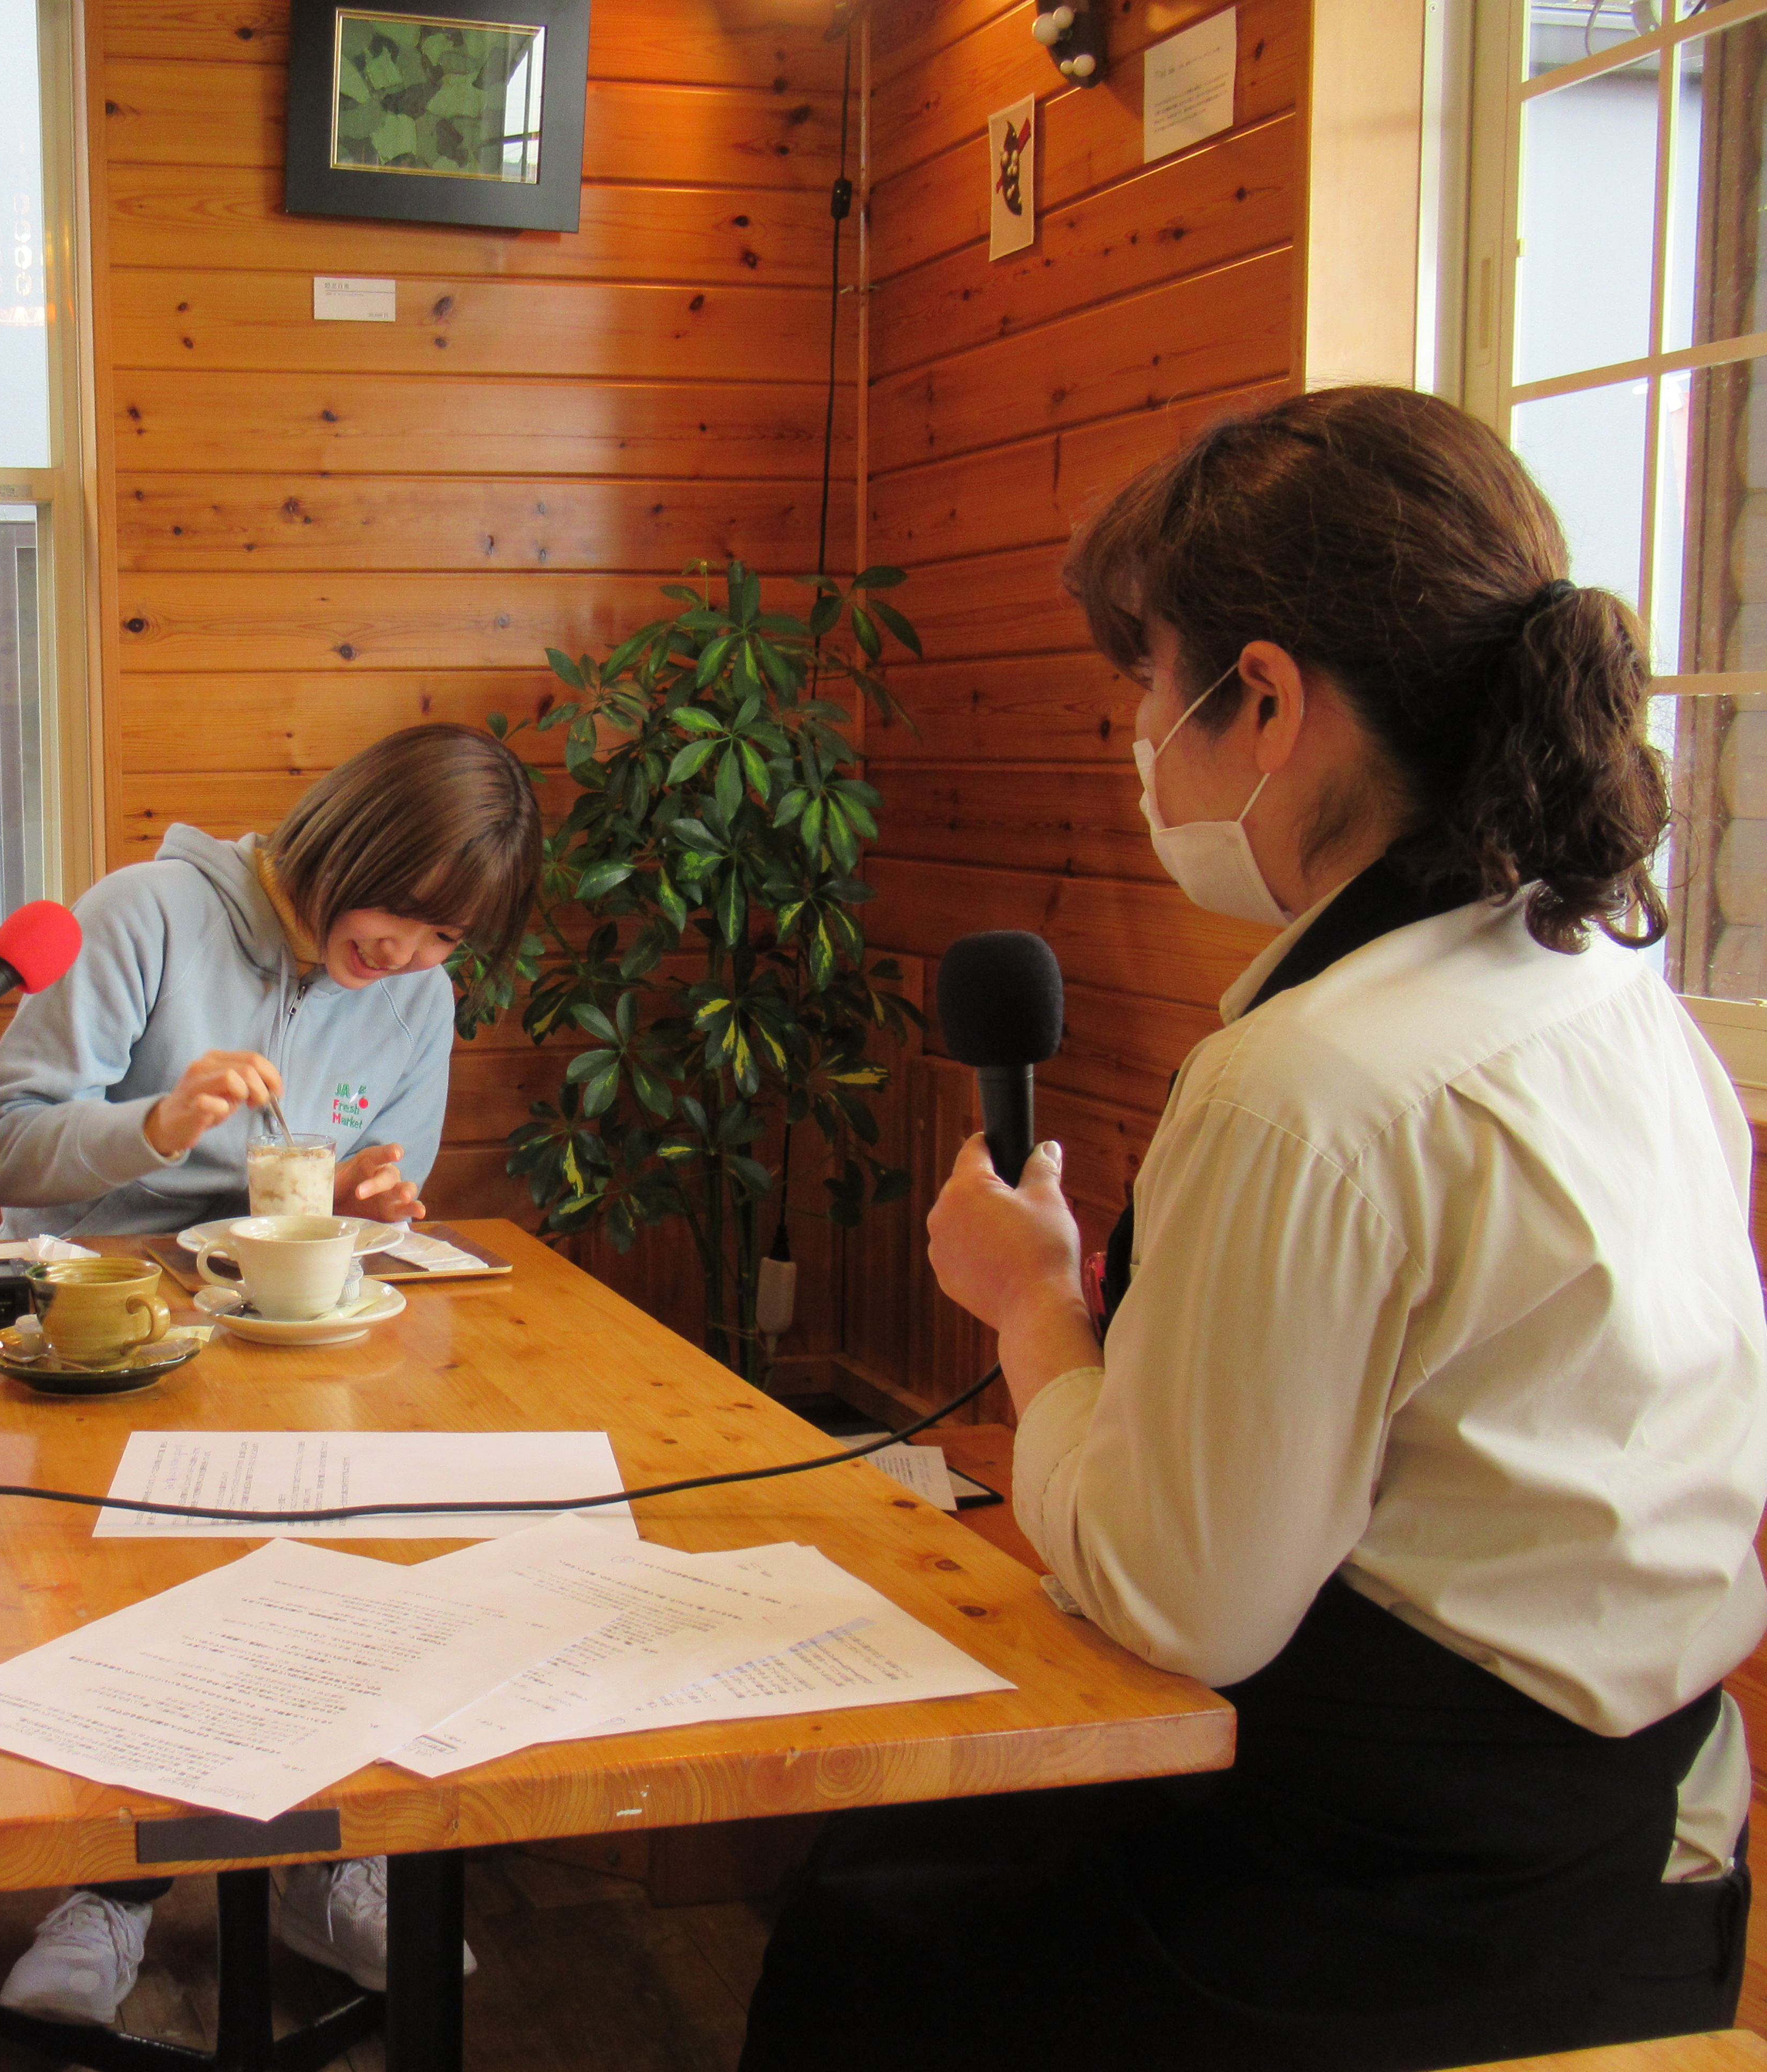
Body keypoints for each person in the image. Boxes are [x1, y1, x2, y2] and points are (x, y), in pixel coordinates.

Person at [742, 385, 1767, 2071]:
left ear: (1269, 699)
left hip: (1407, 1903)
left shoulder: (1308, 1086)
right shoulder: (1609, 991)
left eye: (1151, 681)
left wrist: (1035, 1312)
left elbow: (1181, 1605)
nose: (1141, 736)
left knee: (866, 1924)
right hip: (1652, 1841)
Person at [0, 721, 542, 2025]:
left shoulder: (418, 997)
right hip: (106, 1328)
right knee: (134, 1604)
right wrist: (158, 1123)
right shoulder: (147, 915)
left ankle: (324, 1872)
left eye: (447, 938)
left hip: (290, 1336)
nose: (408, 955)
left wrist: (374, 1200)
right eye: (401, 913)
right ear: (350, 843)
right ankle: (109, 1894)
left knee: (369, 1562)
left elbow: (378, 1192)